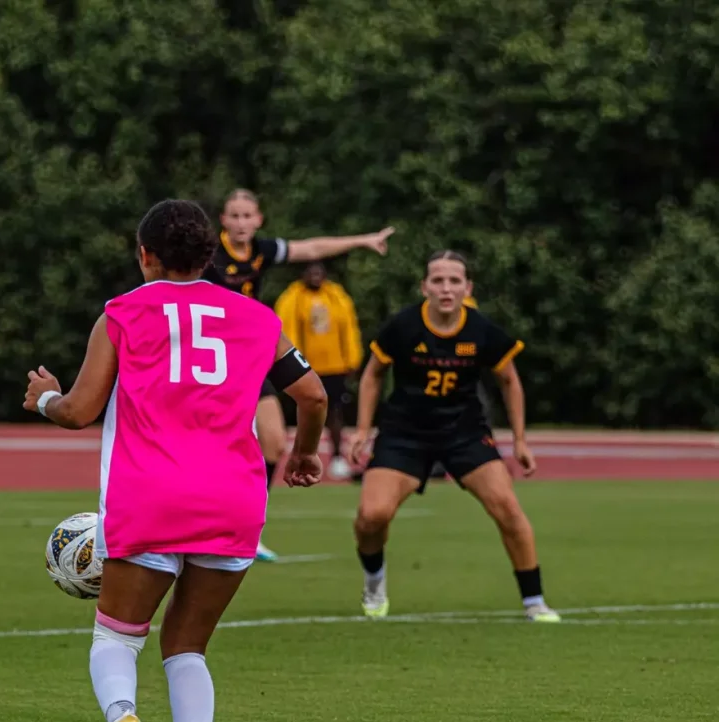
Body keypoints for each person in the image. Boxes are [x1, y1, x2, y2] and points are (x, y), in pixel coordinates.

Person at [23, 199, 329, 722]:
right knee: (186, 647)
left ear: (145, 255)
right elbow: (314, 395)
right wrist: (301, 455)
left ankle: (121, 717)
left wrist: (43, 399)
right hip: (235, 501)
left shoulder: (122, 314)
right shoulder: (256, 317)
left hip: (151, 497)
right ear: (212, 255)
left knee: (117, 637)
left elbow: (80, 411)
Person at [347, 250, 560, 623]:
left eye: (454, 281)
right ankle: (374, 581)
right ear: (424, 287)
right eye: (438, 280)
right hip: (404, 433)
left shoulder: (482, 330)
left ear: (467, 288)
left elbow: (509, 379)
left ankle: (535, 601)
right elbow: (373, 374)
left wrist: (521, 440)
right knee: (371, 516)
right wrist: (364, 430)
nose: (446, 288)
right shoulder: (404, 326)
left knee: (508, 509)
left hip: (464, 433)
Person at [204, 188, 394, 560]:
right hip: (208, 362)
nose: (242, 223)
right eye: (235, 216)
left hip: (247, 358)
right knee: (209, 446)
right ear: (223, 221)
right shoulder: (208, 255)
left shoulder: (261, 250)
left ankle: (248, 529)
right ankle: (199, 522)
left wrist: (363, 241)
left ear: (259, 220)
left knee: (274, 443)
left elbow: (311, 249)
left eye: (248, 216)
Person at [273, 261, 364, 480]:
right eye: (311, 272)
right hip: (305, 368)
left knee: (335, 412)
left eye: (319, 273)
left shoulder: (335, 295)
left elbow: (348, 327)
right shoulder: (293, 297)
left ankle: (337, 457)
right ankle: (301, 454)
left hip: (334, 366)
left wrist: (352, 359)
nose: (315, 276)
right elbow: (285, 330)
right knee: (302, 409)